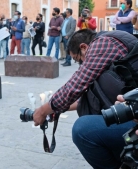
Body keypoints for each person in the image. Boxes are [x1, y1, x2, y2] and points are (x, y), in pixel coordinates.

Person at [32, 29, 138, 169]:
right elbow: (84, 96)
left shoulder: (102, 44)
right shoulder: (109, 44)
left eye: (78, 59)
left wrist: (42, 111)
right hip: (132, 113)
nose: (81, 65)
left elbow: (75, 85)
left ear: (84, 47)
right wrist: (57, 109)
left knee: (83, 130)